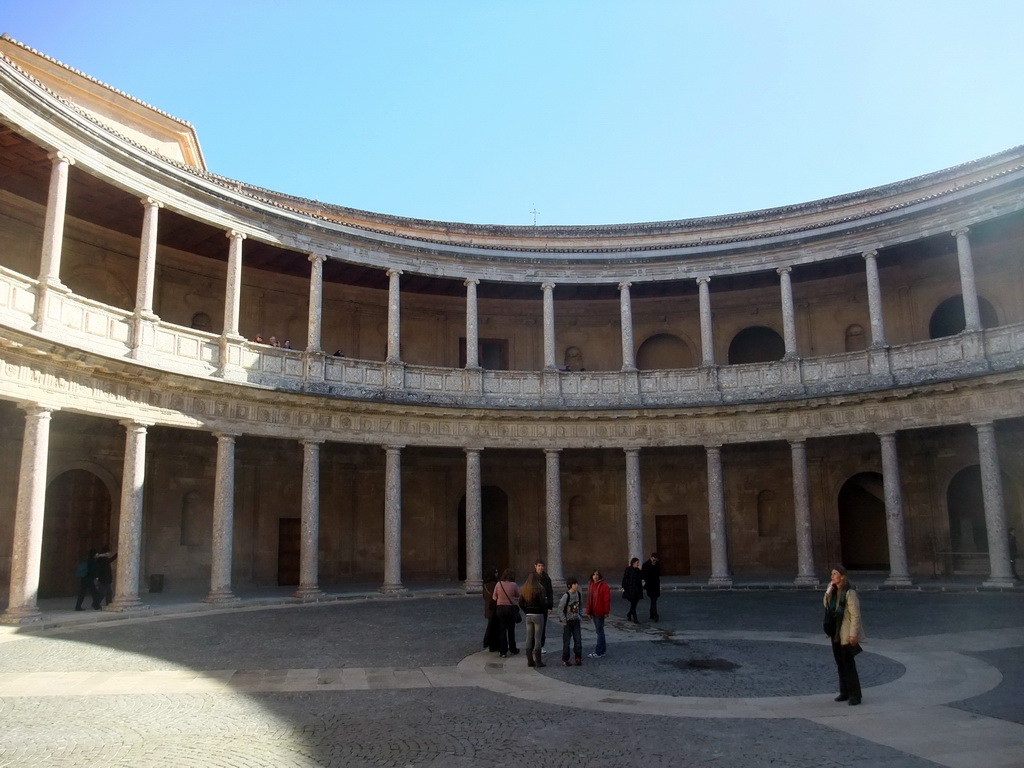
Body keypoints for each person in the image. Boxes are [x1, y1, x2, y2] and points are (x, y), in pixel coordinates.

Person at [823, 565, 864, 706]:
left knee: (848, 665)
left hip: (846, 633)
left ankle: (855, 695)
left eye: (834, 574)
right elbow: (826, 604)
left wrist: (853, 634)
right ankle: (844, 692)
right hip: (835, 632)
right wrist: (828, 590)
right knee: (840, 664)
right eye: (832, 574)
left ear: (842, 576)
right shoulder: (833, 591)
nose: (832, 577)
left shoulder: (849, 593)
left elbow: (855, 615)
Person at [519, 572, 548, 668]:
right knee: (538, 638)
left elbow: (521, 603)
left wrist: (526, 610)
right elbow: (543, 603)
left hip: (529, 615)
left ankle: (530, 660)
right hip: (538, 614)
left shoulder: (524, 589)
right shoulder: (540, 589)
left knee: (529, 637)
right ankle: (538, 661)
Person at [491, 568, 520, 658]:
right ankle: (512, 649)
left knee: (502, 630)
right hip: (510, 608)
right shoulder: (514, 585)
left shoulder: (498, 584)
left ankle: (503, 651)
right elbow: (517, 595)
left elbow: (494, 597)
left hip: (500, 608)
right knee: (511, 630)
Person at [558, 576, 584, 666]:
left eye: (576, 583)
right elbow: (560, 608)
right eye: (574, 584)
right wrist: (564, 620)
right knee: (567, 641)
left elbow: (580, 606)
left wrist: (580, 615)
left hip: (576, 620)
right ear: (570, 585)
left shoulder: (579, 594)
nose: (576, 585)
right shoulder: (566, 596)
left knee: (578, 640)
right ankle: (565, 659)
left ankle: (578, 657)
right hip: (568, 622)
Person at [586, 568, 611, 658]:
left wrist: (606, 611)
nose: (595, 576)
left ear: (599, 576)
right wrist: (588, 611)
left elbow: (606, 600)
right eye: (594, 574)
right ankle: (602, 650)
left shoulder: (604, 586)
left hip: (600, 611)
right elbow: (589, 599)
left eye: (597, 574)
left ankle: (599, 651)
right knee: (599, 631)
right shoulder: (591, 585)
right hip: (594, 611)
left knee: (599, 631)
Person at [534, 559, 554, 652]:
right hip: (533, 605)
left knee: (542, 626)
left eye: (542, 566)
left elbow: (550, 592)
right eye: (539, 566)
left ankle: (541, 645)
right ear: (535, 566)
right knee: (533, 627)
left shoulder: (546, 578)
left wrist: (550, 606)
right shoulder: (531, 577)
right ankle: (534, 644)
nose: (540, 568)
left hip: (543, 605)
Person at [482, 567, 500, 652]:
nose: (497, 574)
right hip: (494, 608)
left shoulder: (485, 585)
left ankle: (491, 645)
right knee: (495, 628)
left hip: (488, 608)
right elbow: (495, 596)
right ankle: (493, 644)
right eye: (496, 572)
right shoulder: (494, 584)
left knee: (491, 626)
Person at [621, 557, 643, 623]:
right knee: (633, 604)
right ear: (633, 563)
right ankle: (635, 618)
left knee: (634, 604)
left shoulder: (638, 570)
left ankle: (629, 614)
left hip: (637, 590)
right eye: (637, 562)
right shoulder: (628, 569)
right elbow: (625, 578)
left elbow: (640, 579)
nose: (638, 564)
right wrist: (624, 587)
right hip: (630, 589)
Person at [641, 552, 662, 621]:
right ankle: (655, 615)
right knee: (653, 600)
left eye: (656, 559)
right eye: (653, 559)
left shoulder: (657, 564)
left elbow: (659, 573)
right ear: (651, 557)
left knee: (654, 600)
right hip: (650, 585)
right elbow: (643, 575)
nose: (654, 560)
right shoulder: (646, 565)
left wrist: (655, 566)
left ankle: (652, 614)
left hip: (656, 585)